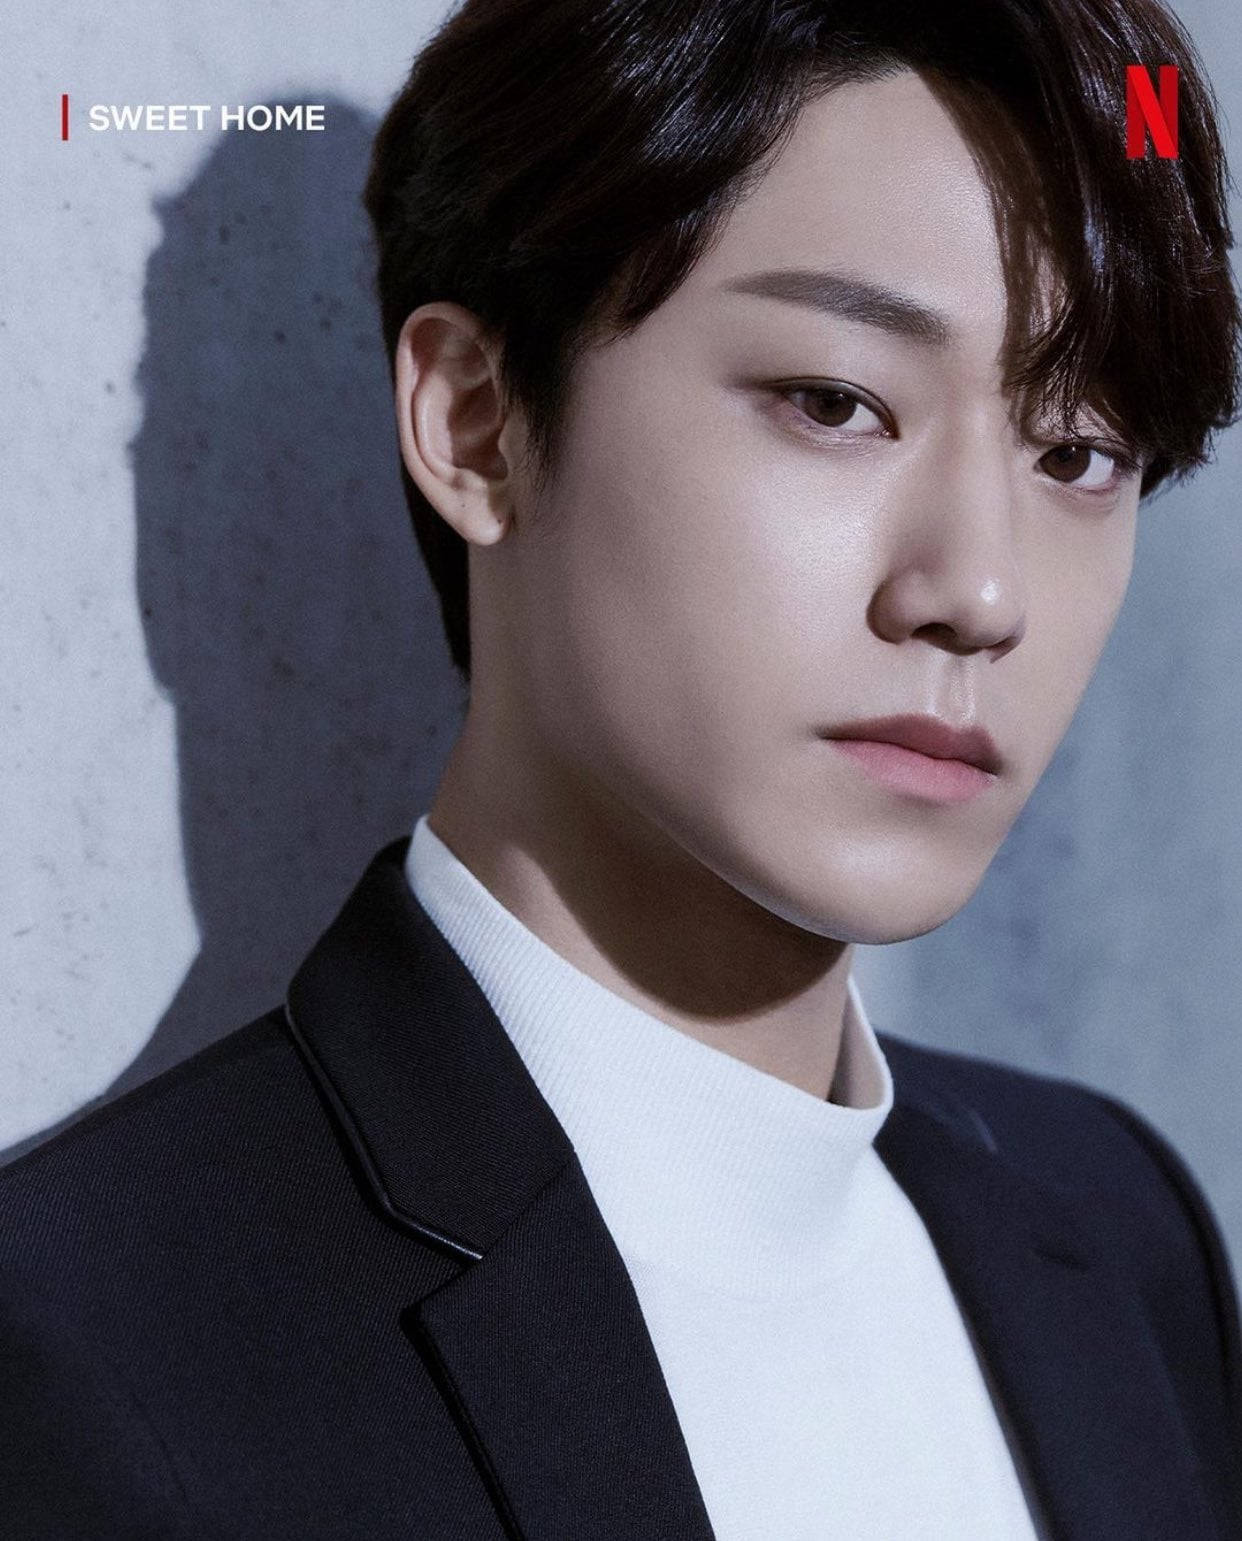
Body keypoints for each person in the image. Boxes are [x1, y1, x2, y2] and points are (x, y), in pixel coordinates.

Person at [3, 0, 1241, 1535]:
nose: (979, 591)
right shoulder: (85, 1345)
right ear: (476, 421)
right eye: (836, 402)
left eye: (1078, 453)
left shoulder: (1121, 1231)